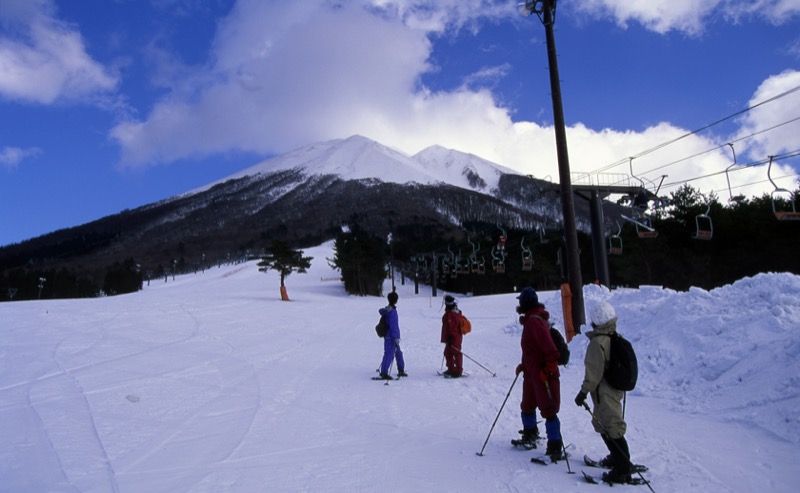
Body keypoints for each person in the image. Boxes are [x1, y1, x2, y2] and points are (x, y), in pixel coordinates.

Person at [574, 300, 634, 484]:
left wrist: (583, 393)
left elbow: (593, 373)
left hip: (605, 392)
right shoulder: (613, 336)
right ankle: (617, 458)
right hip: (614, 390)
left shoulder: (598, 343)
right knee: (606, 425)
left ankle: (622, 468)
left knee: (611, 427)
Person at [515, 287, 564, 459]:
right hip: (531, 372)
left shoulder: (535, 321)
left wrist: (548, 369)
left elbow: (550, 350)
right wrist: (524, 365)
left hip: (543, 374)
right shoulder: (530, 320)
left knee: (548, 408)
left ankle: (555, 445)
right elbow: (531, 348)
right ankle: (530, 433)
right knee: (527, 404)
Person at [378, 291, 406, 379]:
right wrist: (396, 337)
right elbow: (394, 326)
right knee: (389, 353)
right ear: (396, 300)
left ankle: (401, 369)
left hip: (389, 336)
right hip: (391, 337)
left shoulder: (388, 310)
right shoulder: (392, 312)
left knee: (398, 353)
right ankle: (384, 372)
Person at [440, 295, 463, 377]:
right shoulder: (450, 313)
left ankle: (458, 371)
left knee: (456, 353)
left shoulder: (451, 315)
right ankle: (451, 368)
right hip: (451, 338)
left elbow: (452, 328)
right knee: (447, 353)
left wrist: (450, 338)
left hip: (454, 338)